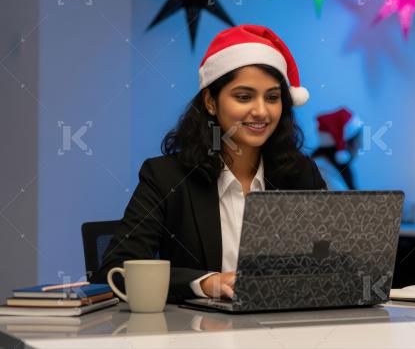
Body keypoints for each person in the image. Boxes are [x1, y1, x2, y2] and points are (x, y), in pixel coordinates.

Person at [93, 25, 327, 302]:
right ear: (211, 102)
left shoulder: (301, 174)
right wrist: (205, 283)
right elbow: (115, 271)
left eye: (273, 98)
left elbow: (327, 263)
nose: (261, 111)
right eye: (244, 96)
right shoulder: (166, 177)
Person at [311, 108, 363, 190]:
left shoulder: (334, 166)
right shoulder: (322, 170)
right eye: (358, 140)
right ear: (347, 144)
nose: (360, 146)